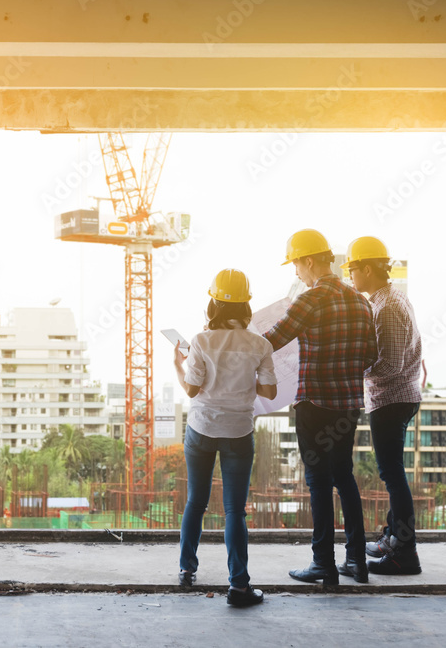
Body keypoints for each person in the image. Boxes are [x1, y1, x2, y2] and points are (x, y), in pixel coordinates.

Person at [263, 229, 377, 585]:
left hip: (314, 403)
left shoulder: (310, 300)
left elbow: (270, 341)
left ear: (309, 261)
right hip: (347, 406)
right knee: (345, 478)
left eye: (296, 265)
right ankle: (356, 561)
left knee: (317, 483)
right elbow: (371, 356)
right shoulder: (361, 302)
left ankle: (323, 563)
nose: (296, 273)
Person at [173, 268, 277, 608]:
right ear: (246, 306)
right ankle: (239, 586)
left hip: (201, 429)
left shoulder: (201, 341)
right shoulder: (260, 344)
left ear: (213, 304)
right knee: (235, 511)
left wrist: (179, 364)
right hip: (238, 432)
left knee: (196, 502)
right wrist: (244, 377)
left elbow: (191, 389)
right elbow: (270, 391)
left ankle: (187, 570)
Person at [343, 236, 423, 575]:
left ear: (368, 268)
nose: (350, 277)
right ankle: (393, 538)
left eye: (353, 269)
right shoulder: (391, 298)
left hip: (391, 399)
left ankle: (404, 554)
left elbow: (390, 364)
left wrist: (352, 369)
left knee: (392, 475)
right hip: (398, 397)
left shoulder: (387, 307)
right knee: (392, 472)